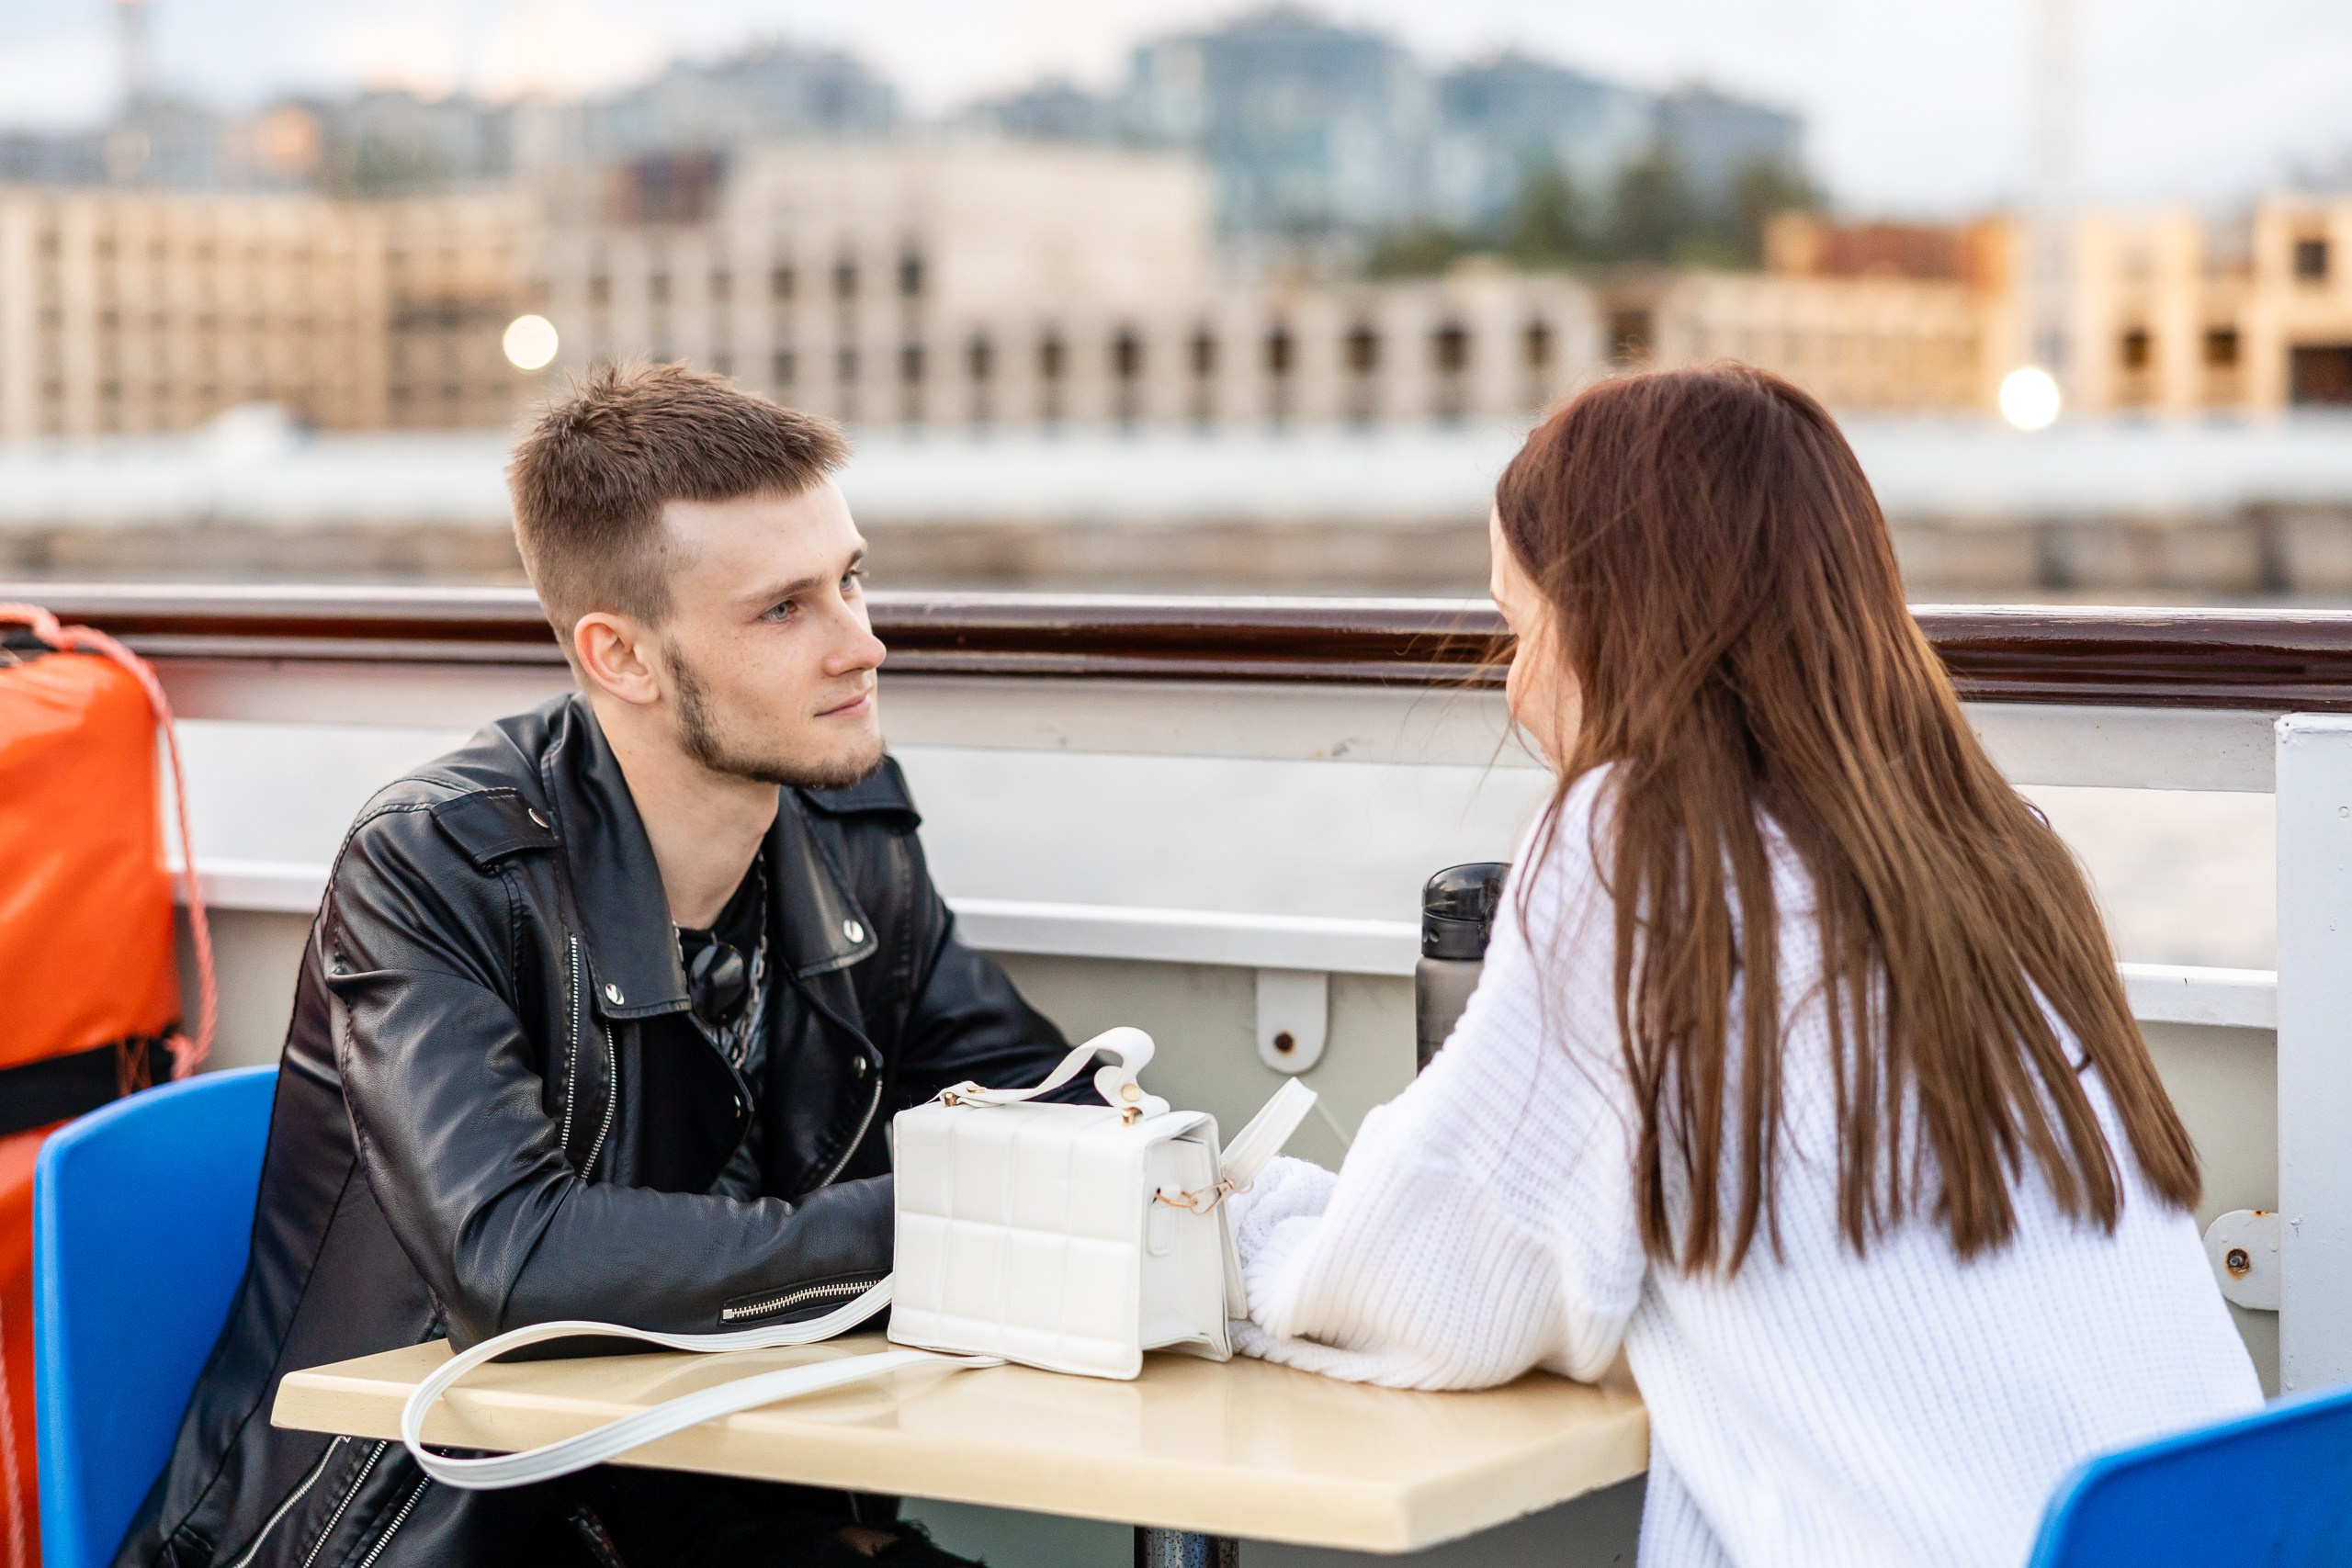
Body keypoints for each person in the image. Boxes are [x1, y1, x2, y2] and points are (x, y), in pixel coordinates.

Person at [1227, 366, 2261, 1568]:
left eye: (1521, 629)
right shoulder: (1996, 844)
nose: (1511, 688)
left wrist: (1236, 1232)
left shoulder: (1638, 843)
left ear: (1621, 618)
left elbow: (1444, 1282)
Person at [119, 365, 1073, 1568]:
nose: (862, 645)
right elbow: (511, 1261)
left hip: (702, 1505)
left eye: (851, 581)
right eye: (785, 610)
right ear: (620, 656)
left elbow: (1040, 1098)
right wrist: (945, 1228)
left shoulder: (843, 826)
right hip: (409, 1533)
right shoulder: (438, 865)